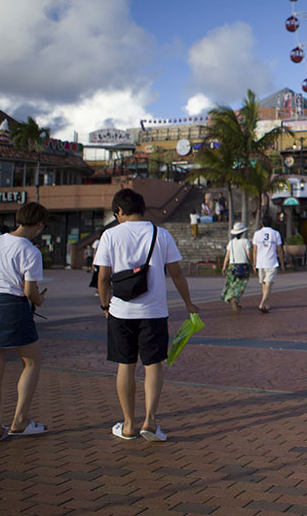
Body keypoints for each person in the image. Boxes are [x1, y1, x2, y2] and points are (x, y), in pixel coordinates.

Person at [95, 188, 198, 442]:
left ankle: (128, 424)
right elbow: (176, 274)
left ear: (119, 211)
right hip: (153, 312)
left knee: (125, 365)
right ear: (142, 208)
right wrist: (189, 303)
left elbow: (103, 277)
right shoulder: (161, 234)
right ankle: (150, 421)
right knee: (153, 365)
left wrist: (105, 306)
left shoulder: (110, 235)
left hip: (120, 312)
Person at [0, 202, 49, 440]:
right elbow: (30, 291)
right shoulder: (30, 251)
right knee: (31, 361)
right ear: (39, 225)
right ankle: (20, 420)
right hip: (13, 306)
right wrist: (41, 300)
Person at [252, 217, 285, 313]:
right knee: (268, 284)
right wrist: (282, 263)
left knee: (264, 284)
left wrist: (254, 263)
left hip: (260, 262)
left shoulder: (257, 234)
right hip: (271, 262)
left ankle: (266, 304)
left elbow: (255, 250)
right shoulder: (276, 233)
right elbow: (279, 250)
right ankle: (262, 303)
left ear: (261, 223)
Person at [221, 222, 252, 312]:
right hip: (243, 266)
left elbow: (227, 256)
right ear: (242, 233)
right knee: (240, 285)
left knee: (231, 284)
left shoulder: (231, 243)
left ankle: (233, 300)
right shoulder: (246, 241)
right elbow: (248, 254)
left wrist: (224, 267)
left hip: (232, 266)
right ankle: (234, 299)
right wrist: (252, 263)